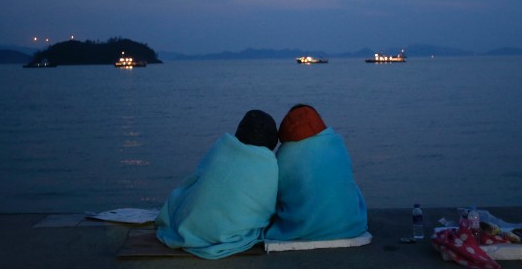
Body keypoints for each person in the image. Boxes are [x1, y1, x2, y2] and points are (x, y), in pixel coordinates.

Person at [155, 109, 279, 259]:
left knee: (185, 194)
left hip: (190, 225)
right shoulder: (268, 163)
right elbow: (266, 208)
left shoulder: (222, 147)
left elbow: (196, 180)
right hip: (228, 233)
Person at [265, 104, 368, 241]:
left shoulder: (284, 155)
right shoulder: (335, 144)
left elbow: (277, 195)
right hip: (349, 226)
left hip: (301, 229)